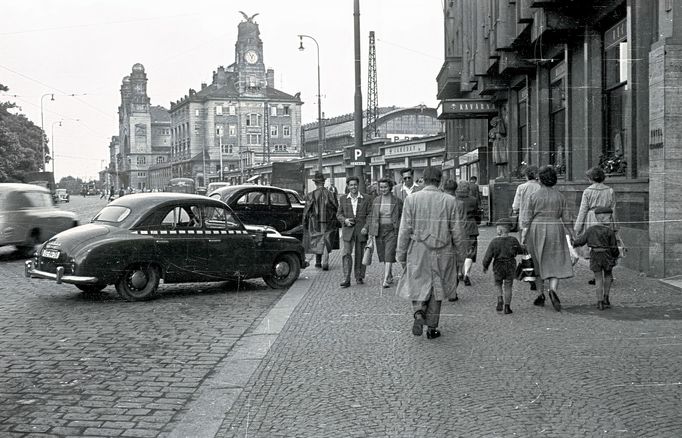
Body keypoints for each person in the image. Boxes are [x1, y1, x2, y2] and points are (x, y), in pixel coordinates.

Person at [396, 167, 463, 339]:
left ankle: (418, 312)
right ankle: (432, 327)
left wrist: (401, 254)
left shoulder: (411, 200)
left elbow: (404, 230)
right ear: (440, 180)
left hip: (418, 248)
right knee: (437, 287)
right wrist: (461, 255)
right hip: (443, 249)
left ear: (423, 179)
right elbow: (457, 231)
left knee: (417, 281)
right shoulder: (449, 201)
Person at [520, 165, 575, 312]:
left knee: (537, 260)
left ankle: (540, 294)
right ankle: (553, 290)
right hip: (556, 227)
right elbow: (567, 218)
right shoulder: (560, 196)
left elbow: (527, 218)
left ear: (540, 180)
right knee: (555, 260)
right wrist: (572, 233)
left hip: (537, 228)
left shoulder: (534, 196)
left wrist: (524, 235)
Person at [574, 166, 617, 285]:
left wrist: (578, 227)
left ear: (591, 178)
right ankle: (609, 273)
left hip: (592, 218)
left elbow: (583, 210)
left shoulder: (588, 191)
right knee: (607, 245)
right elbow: (613, 208)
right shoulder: (610, 190)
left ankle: (596, 274)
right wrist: (615, 225)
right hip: (607, 218)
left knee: (594, 246)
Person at [572, 206, 620, 310]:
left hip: (595, 255)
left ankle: (600, 302)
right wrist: (616, 256)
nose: (611, 219)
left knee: (598, 279)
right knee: (608, 276)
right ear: (603, 218)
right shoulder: (609, 231)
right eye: (610, 217)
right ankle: (606, 298)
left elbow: (581, 241)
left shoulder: (590, 230)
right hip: (607, 255)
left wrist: (573, 243)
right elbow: (614, 247)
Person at [482, 217, 525, 314]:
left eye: (497, 228)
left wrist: (485, 266)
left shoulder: (494, 242)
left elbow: (488, 256)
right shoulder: (513, 240)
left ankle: (500, 298)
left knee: (498, 284)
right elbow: (519, 250)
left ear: (500, 230)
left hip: (498, 265)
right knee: (508, 285)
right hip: (510, 265)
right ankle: (507, 307)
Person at [367, 177, 403, 288]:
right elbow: (373, 216)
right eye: (381, 187)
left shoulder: (397, 201)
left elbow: (402, 216)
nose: (383, 189)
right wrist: (370, 232)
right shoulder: (376, 200)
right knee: (383, 254)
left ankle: (386, 278)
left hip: (392, 230)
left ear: (390, 187)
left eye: (385, 187)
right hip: (379, 230)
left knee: (389, 253)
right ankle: (390, 274)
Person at [336, 176, 372, 287]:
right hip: (348, 230)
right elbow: (338, 214)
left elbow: (370, 215)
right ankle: (346, 278)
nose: (353, 187)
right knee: (346, 253)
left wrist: (366, 227)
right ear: (348, 186)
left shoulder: (366, 198)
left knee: (360, 254)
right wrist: (345, 220)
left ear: (358, 185)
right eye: (351, 185)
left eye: (355, 184)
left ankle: (359, 276)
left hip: (361, 230)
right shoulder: (343, 199)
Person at [511, 165, 541, 290]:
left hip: (524, 221)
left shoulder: (521, 187)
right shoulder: (541, 187)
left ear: (527, 175)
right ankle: (540, 272)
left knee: (527, 249)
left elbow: (515, 206)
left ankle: (530, 275)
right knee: (538, 248)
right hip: (538, 222)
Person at [302, 171, 340, 271]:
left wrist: (305, 222)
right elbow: (336, 207)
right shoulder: (331, 194)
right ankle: (325, 261)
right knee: (327, 239)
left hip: (315, 222)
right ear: (324, 182)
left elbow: (306, 211)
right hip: (329, 221)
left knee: (317, 240)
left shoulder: (311, 195)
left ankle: (318, 262)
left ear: (315, 183)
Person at [453, 181, 479, 287]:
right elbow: (477, 213)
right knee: (470, 251)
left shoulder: (454, 199)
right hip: (471, 226)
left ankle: (459, 272)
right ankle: (467, 274)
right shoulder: (473, 200)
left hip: (458, 226)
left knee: (458, 250)